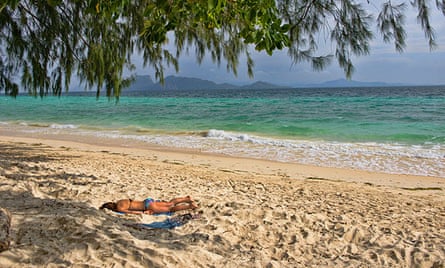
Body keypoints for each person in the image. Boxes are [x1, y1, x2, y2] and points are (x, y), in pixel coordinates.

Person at [100, 196, 198, 215]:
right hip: (147, 201)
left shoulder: (119, 208)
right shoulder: (120, 201)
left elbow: (132, 211)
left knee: (170, 209)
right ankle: (186, 199)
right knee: (169, 203)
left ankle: (190, 206)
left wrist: (142, 213)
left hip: (147, 207)